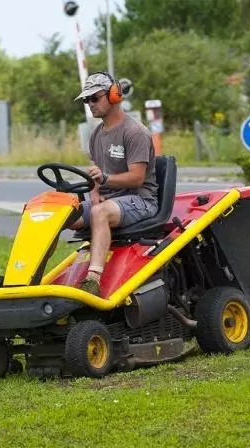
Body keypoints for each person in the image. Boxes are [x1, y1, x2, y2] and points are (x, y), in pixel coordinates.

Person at [70, 72, 158, 296]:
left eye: (94, 98)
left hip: (141, 200)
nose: (89, 104)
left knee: (100, 212)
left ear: (114, 95)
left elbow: (137, 178)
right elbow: (95, 170)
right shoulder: (96, 134)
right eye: (85, 100)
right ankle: (29, 279)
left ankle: (92, 280)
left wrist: (105, 179)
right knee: (61, 211)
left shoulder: (135, 132)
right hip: (110, 200)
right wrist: (95, 191)